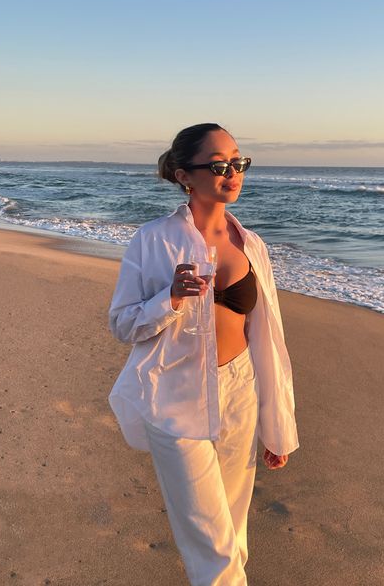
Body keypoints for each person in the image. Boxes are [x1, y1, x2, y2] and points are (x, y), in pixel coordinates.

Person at [108, 122, 299, 585]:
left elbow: (269, 339)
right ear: (183, 175)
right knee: (212, 546)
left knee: (233, 534)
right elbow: (122, 323)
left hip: (240, 394)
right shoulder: (153, 240)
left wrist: (278, 424)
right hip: (173, 397)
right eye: (218, 165)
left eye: (238, 162)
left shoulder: (252, 245)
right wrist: (169, 299)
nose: (232, 172)